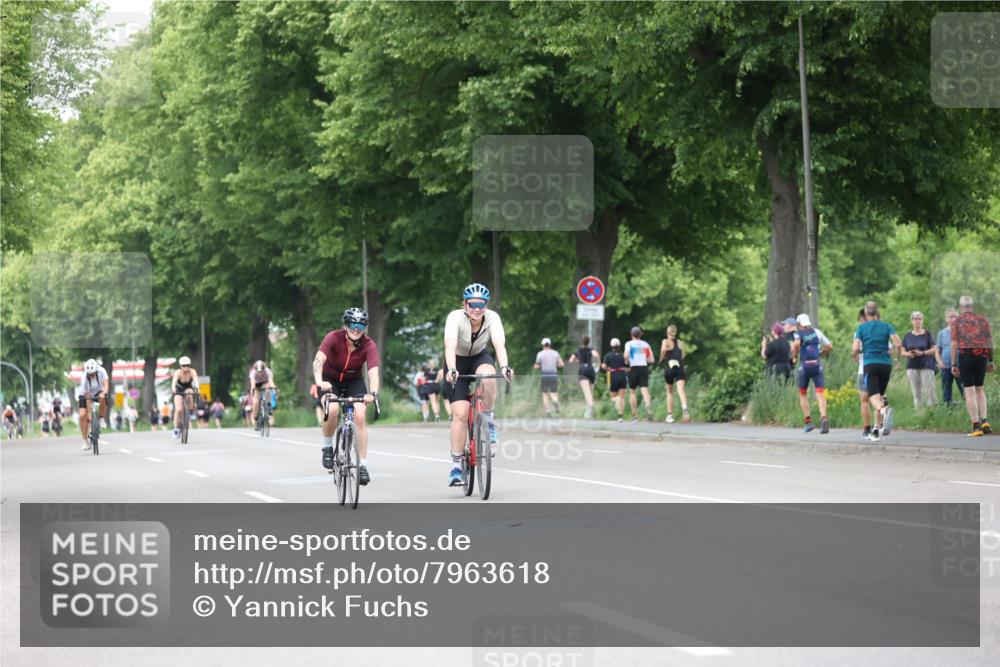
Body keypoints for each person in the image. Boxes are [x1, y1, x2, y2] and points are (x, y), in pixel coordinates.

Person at [443, 283, 513, 487]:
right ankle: (456, 466)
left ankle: (489, 419)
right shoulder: (454, 317)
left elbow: (499, 344)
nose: (476, 308)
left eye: (481, 304)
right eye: (472, 304)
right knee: (461, 414)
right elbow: (450, 345)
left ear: (486, 305)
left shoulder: (492, 318)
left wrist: (506, 366)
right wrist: (452, 368)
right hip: (456, 360)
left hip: (479, 357)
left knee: (489, 376)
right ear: (464, 304)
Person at [314, 307, 381, 485]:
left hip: (353, 381)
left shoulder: (369, 344)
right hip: (329, 381)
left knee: (359, 416)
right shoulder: (333, 337)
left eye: (360, 325)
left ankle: (363, 466)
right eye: (353, 324)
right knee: (333, 409)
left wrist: (372, 393)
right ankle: (327, 447)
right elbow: (318, 361)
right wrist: (320, 382)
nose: (356, 329)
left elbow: (374, 373)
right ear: (345, 325)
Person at [852, 301, 902, 442]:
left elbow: (855, 348)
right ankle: (875, 430)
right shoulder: (886, 326)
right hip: (886, 364)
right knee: (879, 396)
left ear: (866, 313)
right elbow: (898, 344)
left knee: (873, 398)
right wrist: (898, 360)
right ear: (877, 312)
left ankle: (884, 410)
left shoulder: (861, 328)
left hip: (870, 364)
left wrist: (854, 355)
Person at [950, 295, 994, 437]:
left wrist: (954, 364)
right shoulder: (983, 320)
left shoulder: (957, 322)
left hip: (966, 356)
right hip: (981, 356)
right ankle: (985, 421)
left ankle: (976, 426)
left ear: (961, 307)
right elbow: (989, 341)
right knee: (980, 389)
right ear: (972, 306)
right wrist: (991, 360)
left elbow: (954, 344)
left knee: (969, 391)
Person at [791, 314, 833, 433]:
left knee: (803, 393)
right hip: (816, 365)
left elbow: (796, 344)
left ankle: (808, 422)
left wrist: (795, 355)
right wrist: (820, 353)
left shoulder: (798, 333)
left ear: (799, 324)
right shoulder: (817, 332)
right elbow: (829, 346)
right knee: (820, 393)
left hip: (805, 366)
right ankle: (824, 418)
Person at [901, 311, 937, 408]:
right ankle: (919, 413)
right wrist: (909, 354)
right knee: (916, 392)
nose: (917, 321)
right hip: (912, 366)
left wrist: (922, 353)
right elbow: (902, 351)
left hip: (926, 365)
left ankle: (931, 412)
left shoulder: (927, 334)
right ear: (912, 321)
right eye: (915, 319)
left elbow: (934, 349)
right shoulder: (908, 335)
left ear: (922, 321)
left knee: (929, 391)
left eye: (920, 318)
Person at [659, 325, 690, 423]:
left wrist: (661, 358)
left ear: (667, 332)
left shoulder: (665, 341)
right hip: (680, 367)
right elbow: (683, 355)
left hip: (670, 367)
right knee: (680, 389)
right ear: (675, 332)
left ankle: (670, 415)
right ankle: (685, 410)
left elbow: (663, 350)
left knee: (669, 391)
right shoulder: (680, 343)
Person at [77, 358, 110, 450]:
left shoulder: (102, 371)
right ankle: (85, 440)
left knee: (103, 397)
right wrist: (90, 413)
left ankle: (101, 418)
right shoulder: (84, 378)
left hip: (99, 391)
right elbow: (87, 397)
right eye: (89, 374)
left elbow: (106, 385)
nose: (91, 375)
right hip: (85, 395)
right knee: (82, 415)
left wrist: (104, 393)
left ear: (96, 371)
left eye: (93, 374)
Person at [624, 326, 654, 421]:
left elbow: (626, 356)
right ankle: (648, 408)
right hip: (643, 368)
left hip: (634, 368)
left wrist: (627, 361)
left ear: (631, 335)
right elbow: (652, 360)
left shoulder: (629, 344)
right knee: (645, 389)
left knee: (632, 392)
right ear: (640, 334)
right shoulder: (646, 344)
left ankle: (635, 416)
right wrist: (643, 357)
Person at [936, 308, 964, 407]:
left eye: (955, 316)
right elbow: (937, 351)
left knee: (964, 390)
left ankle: (969, 412)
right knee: (946, 392)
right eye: (950, 317)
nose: (953, 319)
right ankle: (948, 411)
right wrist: (940, 363)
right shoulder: (941, 333)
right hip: (946, 367)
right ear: (946, 319)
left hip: (960, 366)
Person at [568, 335, 600, 419]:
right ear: (589, 342)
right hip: (591, 370)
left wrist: (578, 360)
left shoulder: (578, 350)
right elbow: (596, 355)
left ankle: (591, 406)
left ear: (582, 342)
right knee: (590, 392)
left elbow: (570, 360)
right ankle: (588, 412)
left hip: (583, 371)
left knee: (586, 392)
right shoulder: (591, 349)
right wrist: (597, 363)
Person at [854, 309, 873, 439]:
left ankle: (867, 429)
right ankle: (880, 426)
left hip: (864, 369)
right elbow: (890, 350)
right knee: (879, 397)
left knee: (865, 400)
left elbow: (855, 351)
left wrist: (857, 354)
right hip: (881, 367)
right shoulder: (881, 329)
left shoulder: (859, 331)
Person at [170, 356, 199, 440]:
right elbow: (174, 381)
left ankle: (189, 410)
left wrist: (197, 389)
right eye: (183, 365)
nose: (185, 367)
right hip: (178, 389)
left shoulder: (192, 371)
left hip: (188, 388)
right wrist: (173, 389)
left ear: (189, 365)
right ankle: (176, 430)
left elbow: (196, 381)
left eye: (187, 365)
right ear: (180, 366)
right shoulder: (178, 372)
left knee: (190, 393)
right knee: (178, 410)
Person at [534, 338, 564, 418]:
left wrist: (538, 366)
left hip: (544, 375)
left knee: (545, 394)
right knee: (554, 392)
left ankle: (548, 410)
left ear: (543, 345)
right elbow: (561, 364)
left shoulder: (540, 354)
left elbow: (537, 365)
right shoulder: (555, 353)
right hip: (553, 374)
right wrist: (555, 365)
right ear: (550, 344)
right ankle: (555, 401)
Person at [601, 338, 628, 422]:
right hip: (622, 376)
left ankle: (619, 409)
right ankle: (620, 416)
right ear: (619, 346)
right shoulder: (623, 355)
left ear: (611, 346)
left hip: (613, 376)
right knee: (622, 398)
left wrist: (607, 369)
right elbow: (627, 365)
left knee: (613, 397)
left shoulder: (608, 355)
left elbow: (603, 366)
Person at [248, 360, 276, 429]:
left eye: (261, 371)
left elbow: (271, 382)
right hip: (257, 384)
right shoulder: (253, 373)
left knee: (268, 390)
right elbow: (252, 385)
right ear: (255, 370)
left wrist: (274, 389)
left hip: (265, 382)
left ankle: (268, 405)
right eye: (258, 371)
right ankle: (256, 419)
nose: (260, 373)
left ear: (264, 369)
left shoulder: (268, 372)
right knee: (255, 402)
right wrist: (252, 391)